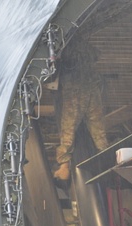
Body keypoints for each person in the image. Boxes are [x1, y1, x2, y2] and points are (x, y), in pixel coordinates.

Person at [54, 41, 108, 181]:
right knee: (96, 128)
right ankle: (105, 157)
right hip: (86, 86)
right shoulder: (84, 49)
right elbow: (97, 55)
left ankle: (65, 164)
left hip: (76, 89)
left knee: (69, 128)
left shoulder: (66, 47)